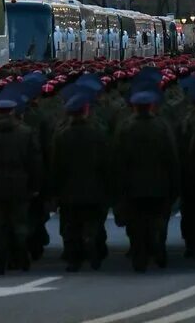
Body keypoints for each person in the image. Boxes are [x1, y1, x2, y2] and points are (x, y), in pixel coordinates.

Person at [111, 90, 180, 273]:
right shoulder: (162, 127)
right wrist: (175, 183)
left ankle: (139, 255)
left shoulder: (125, 128)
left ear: (134, 107)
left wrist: (118, 185)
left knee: (136, 223)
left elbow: (118, 159)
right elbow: (171, 157)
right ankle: (159, 247)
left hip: (133, 185)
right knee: (159, 219)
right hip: (159, 183)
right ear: (151, 106)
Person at [0, 97, 43, 275]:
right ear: (13, 112)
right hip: (21, 183)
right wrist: (35, 185)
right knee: (19, 222)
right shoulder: (26, 133)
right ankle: (21, 255)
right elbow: (34, 162)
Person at [50, 92, 112, 272]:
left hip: (69, 188)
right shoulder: (98, 134)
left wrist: (54, 190)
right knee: (94, 221)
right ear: (86, 110)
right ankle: (93, 246)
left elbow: (56, 165)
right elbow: (106, 162)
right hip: (94, 186)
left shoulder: (61, 136)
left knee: (71, 225)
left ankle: (73, 258)